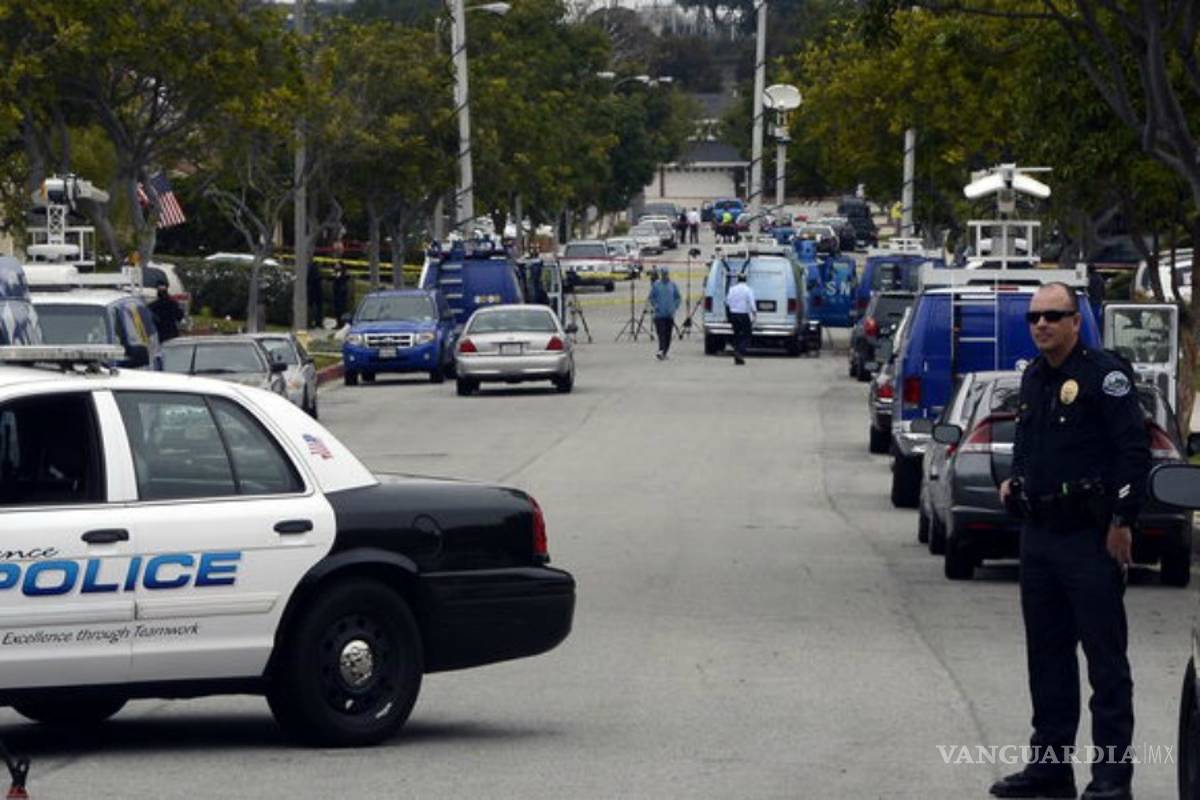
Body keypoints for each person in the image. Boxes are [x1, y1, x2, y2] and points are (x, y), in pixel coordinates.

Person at [991, 283, 1149, 800]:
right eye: (1034, 318)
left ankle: (1110, 778)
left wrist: (1123, 518)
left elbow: (1132, 451)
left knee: (1105, 665)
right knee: (1048, 659)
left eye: (1053, 316)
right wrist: (1014, 479)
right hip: (1039, 537)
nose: (1041, 325)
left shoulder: (1105, 376)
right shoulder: (1035, 377)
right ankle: (1050, 767)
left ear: (1076, 321)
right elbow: (1027, 444)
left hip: (1089, 537)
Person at [647, 267, 681, 360]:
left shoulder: (672, 285)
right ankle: (661, 350)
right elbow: (651, 297)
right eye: (663, 274)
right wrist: (655, 305)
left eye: (666, 274)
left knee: (668, 335)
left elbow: (678, 297)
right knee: (661, 333)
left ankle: (664, 352)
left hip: (669, 315)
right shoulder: (656, 285)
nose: (664, 276)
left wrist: (674, 307)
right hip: (659, 315)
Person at [724, 273, 756, 365]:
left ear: (738, 280)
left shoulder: (732, 289)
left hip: (734, 314)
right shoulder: (748, 290)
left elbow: (727, 301)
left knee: (737, 334)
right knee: (747, 335)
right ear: (745, 280)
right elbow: (751, 302)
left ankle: (737, 352)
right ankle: (739, 352)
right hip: (743, 314)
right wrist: (754, 313)